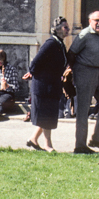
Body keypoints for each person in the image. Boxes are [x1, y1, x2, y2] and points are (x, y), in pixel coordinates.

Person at [67, 10, 99, 153]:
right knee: (83, 110)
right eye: (96, 20)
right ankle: (80, 145)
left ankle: (97, 140)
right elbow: (71, 54)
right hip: (85, 72)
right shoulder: (84, 35)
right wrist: (74, 73)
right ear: (89, 21)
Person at [23, 16, 69, 151]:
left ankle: (33, 139)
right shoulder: (51, 43)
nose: (68, 30)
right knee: (47, 116)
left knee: (47, 115)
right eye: (65, 27)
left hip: (52, 85)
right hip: (44, 86)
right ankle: (48, 145)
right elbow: (35, 62)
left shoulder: (59, 43)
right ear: (58, 29)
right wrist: (35, 74)